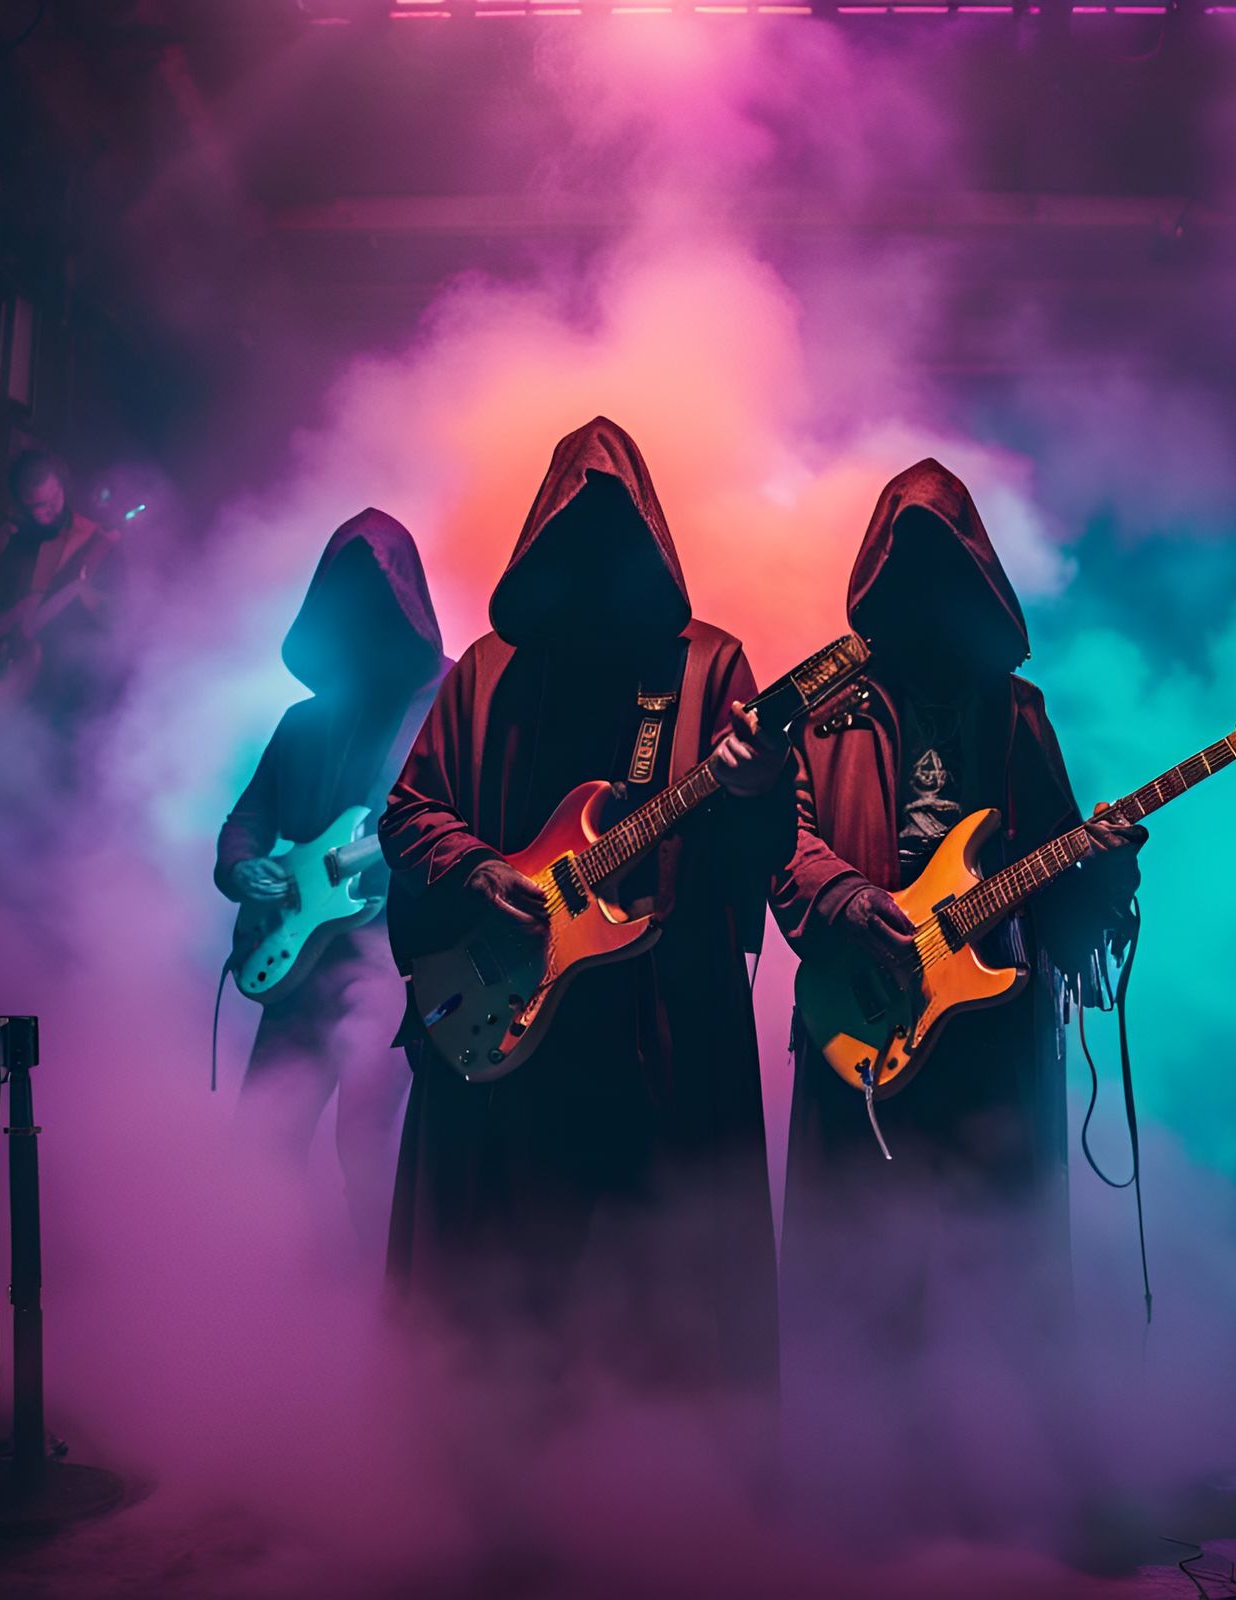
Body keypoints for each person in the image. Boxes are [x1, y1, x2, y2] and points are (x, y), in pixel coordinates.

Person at [769, 459, 1146, 1539]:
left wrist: (1107, 867)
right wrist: (845, 898)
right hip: (868, 1020)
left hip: (988, 1024)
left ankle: (1049, 1481)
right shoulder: (826, 704)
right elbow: (776, 841)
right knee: (858, 1261)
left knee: (1013, 1254)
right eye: (909, 571)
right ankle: (858, 1493)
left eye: (947, 573)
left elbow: (1057, 865)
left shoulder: (1014, 710)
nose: (928, 598)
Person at [380, 417, 792, 1399]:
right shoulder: (484, 671)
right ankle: (490, 1487)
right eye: (576, 533)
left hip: (663, 1025)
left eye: (617, 535)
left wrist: (756, 784)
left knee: (667, 1285)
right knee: (505, 1280)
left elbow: (761, 850)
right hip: (515, 1021)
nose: (598, 556)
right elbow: (406, 812)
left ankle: (672, 1499)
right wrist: (479, 870)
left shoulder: (707, 667)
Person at [217, 509, 450, 1251]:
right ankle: (250, 1306)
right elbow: (245, 820)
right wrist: (242, 869)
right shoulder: (303, 722)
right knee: (259, 1142)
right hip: (297, 955)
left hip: (390, 962)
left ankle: (391, 1322)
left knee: (368, 1147)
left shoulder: (448, 705)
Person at [0, 448, 123, 723]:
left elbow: (115, 616)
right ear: (23, 505)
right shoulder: (15, 542)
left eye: (57, 496)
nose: (54, 508)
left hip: (64, 686)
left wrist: (92, 600)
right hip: (13, 684)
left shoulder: (91, 539)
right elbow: (1, 610)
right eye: (41, 505)